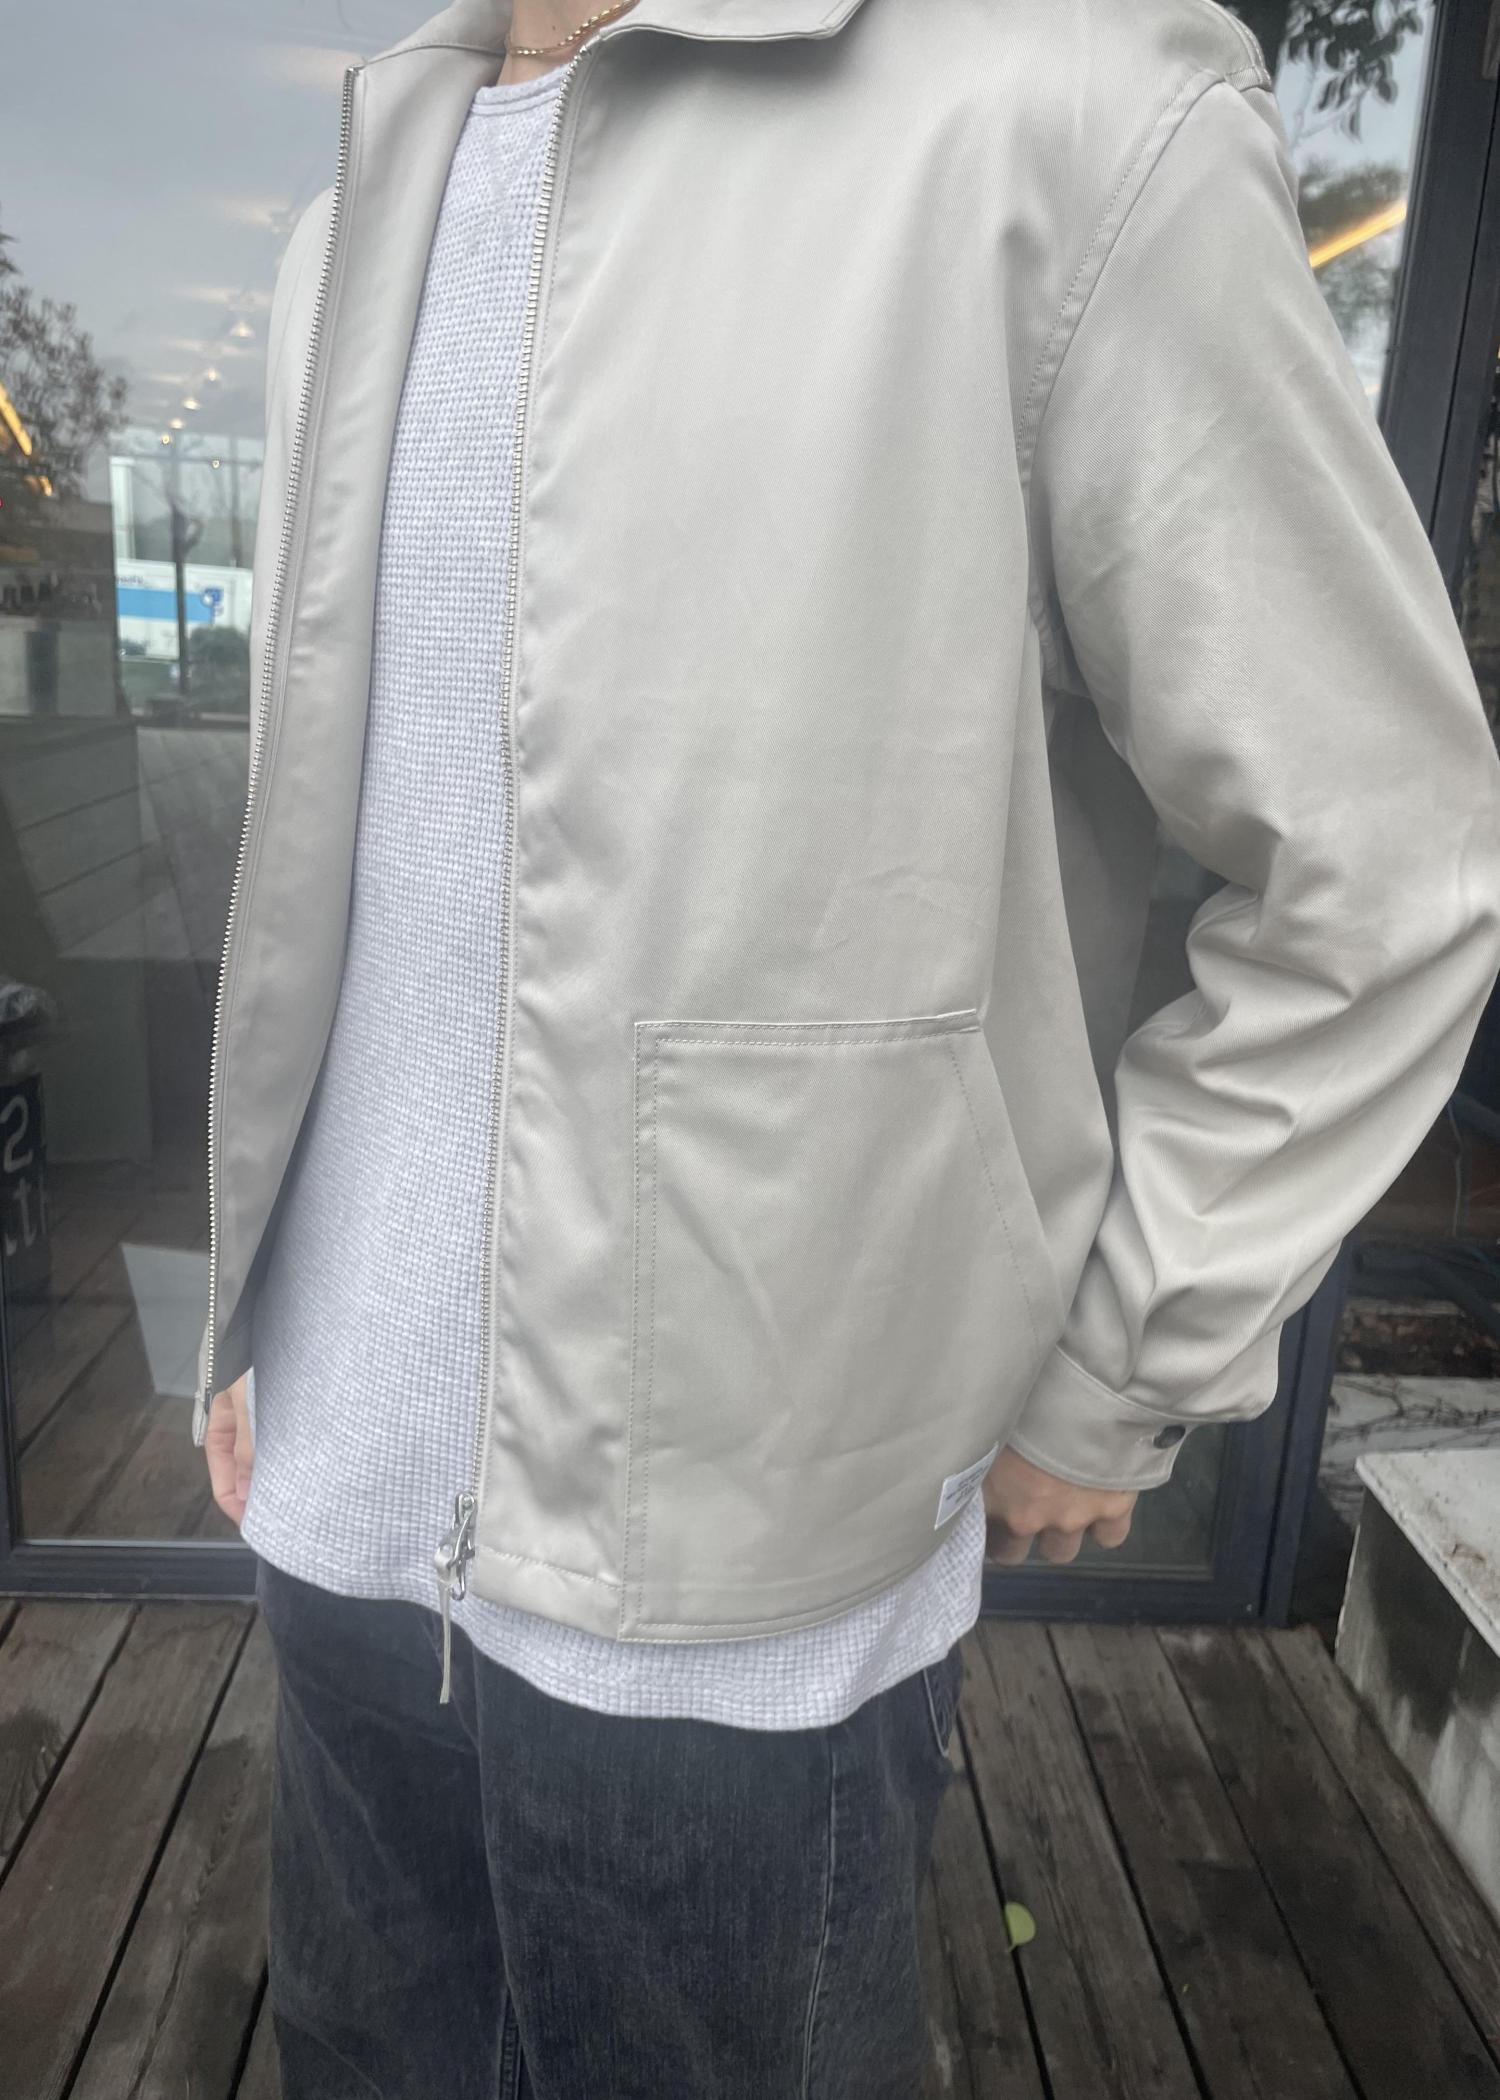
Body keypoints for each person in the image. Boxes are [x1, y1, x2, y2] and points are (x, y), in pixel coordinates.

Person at [199, 0, 1500, 2093]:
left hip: (744, 1567)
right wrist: (264, 1307)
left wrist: (1128, 1348)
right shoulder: (366, 187)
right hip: (332, 1497)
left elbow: (1382, 854)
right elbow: (356, 853)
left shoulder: (1059, 115)